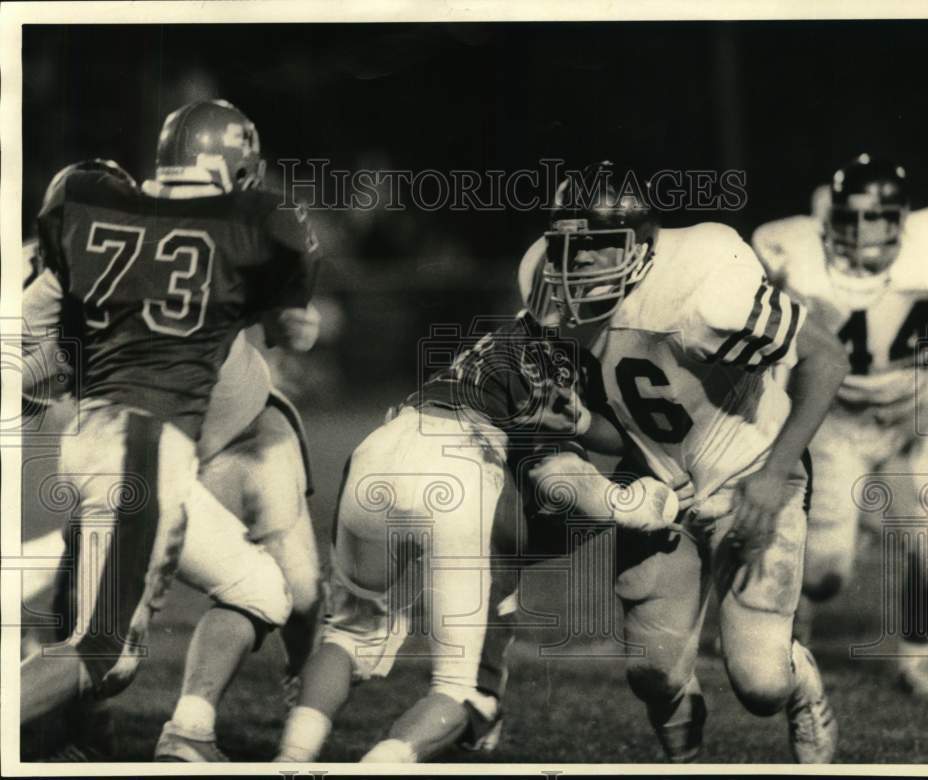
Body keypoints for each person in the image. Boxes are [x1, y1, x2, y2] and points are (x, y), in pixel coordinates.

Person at [517, 160, 849, 763]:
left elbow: (825, 358)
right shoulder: (543, 282)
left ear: (641, 245)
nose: (575, 262)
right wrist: (584, 426)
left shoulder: (703, 286)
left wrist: (775, 474)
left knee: (760, 684)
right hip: (657, 482)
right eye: (566, 245)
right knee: (653, 675)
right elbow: (642, 419)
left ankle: (803, 692)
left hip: (747, 472)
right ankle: (684, 755)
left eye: (594, 246)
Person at [19, 99, 320, 730]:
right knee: (103, 655)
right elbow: (297, 331)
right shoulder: (248, 225)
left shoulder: (91, 207)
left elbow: (40, 343)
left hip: (132, 443)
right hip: (142, 440)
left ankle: (186, 733)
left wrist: (33, 382)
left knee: (265, 591)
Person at [276, 310, 690, 763]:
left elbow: (592, 429)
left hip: (381, 448)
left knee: (347, 637)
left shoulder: (503, 338)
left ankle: (291, 759)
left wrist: (588, 427)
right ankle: (384, 764)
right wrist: (636, 503)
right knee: (456, 688)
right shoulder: (560, 362)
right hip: (457, 470)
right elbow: (559, 475)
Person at [752, 154, 928, 703]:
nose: (863, 234)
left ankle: (916, 660)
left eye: (878, 219)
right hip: (836, 420)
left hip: (913, 415)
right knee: (826, 571)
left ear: (903, 219)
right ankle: (795, 622)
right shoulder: (798, 257)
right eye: (850, 220)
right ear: (827, 221)